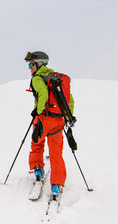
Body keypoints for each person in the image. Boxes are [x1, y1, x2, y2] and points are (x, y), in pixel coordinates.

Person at [24, 51, 74, 196]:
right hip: (58, 121)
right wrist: (67, 116)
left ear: (39, 64)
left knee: (37, 144)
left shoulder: (37, 79)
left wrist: (38, 112)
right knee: (56, 152)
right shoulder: (57, 79)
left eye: (32, 64)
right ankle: (57, 184)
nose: (29, 67)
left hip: (42, 120)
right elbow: (70, 100)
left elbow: (43, 94)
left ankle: (38, 168)